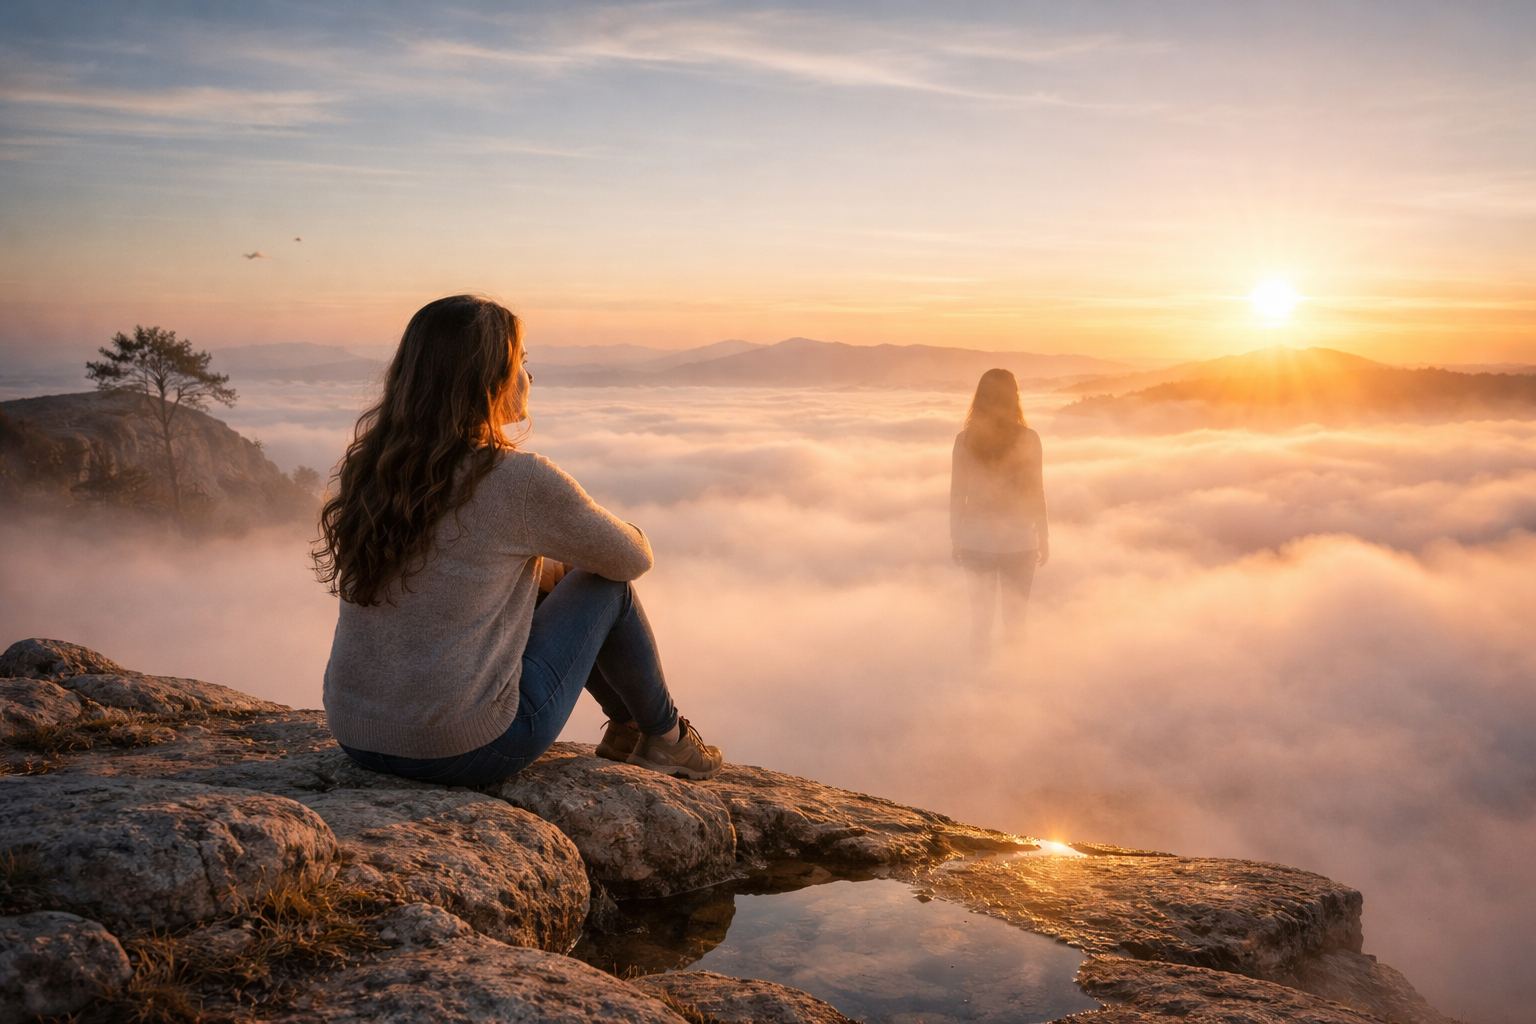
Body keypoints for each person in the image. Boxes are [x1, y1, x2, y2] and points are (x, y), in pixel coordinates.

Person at [314, 295, 723, 786]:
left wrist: (539, 566)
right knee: (603, 585)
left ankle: (629, 731)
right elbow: (631, 558)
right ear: (487, 379)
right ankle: (664, 736)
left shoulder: (373, 468)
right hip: (466, 749)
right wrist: (588, 547)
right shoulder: (518, 479)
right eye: (522, 363)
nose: (531, 377)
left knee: (551, 575)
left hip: (358, 735)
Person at [950, 368, 1049, 655]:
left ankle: (977, 686)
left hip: (975, 540)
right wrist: (1043, 536)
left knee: (980, 622)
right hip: (1019, 541)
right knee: (1016, 622)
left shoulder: (964, 441)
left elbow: (958, 495)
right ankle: (1014, 686)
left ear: (980, 398)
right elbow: (1036, 492)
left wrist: (956, 537)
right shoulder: (1030, 439)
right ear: (1014, 397)